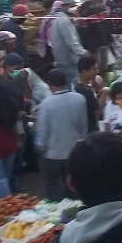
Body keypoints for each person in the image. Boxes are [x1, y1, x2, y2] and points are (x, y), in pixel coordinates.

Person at [36, 69, 88, 202]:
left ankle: (57, 210)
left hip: (53, 154)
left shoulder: (47, 103)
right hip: (74, 151)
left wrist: (40, 146)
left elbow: (43, 130)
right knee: (74, 187)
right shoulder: (80, 99)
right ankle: (76, 209)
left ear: (49, 84)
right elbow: (83, 126)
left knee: (53, 187)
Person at [51, 0, 88, 85]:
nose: (74, 8)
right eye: (72, 6)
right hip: (68, 59)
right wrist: (83, 53)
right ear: (64, 6)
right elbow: (71, 41)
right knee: (72, 84)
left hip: (60, 58)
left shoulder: (58, 18)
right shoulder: (65, 21)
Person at [73, 54, 105, 134]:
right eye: (94, 70)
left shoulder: (77, 82)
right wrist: (105, 92)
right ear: (84, 72)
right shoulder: (83, 90)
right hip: (90, 129)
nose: (97, 71)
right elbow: (97, 110)